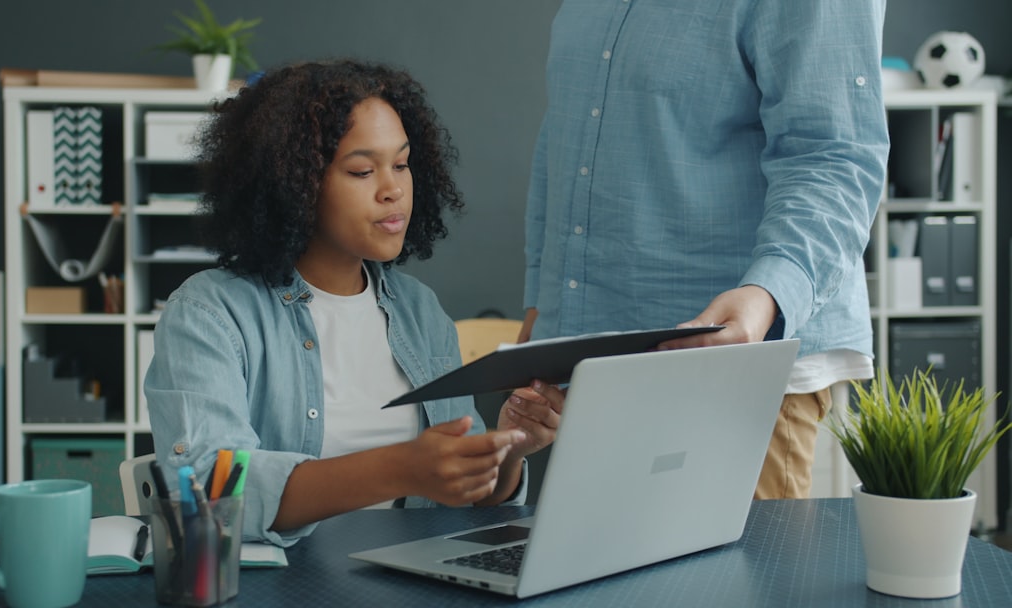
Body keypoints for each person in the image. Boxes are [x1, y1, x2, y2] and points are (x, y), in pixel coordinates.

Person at [146, 60, 563, 546]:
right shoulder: (210, 312)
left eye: (402, 164)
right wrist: (399, 468)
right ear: (295, 183)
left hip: (411, 582)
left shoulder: (420, 312)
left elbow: (465, 503)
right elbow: (209, 487)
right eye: (363, 170)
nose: (393, 190)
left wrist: (508, 451)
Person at [520, 1, 889, 499]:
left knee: (738, 579)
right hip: (597, 361)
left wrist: (765, 297)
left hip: (734, 366)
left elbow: (832, 154)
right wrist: (544, 306)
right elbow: (564, 137)